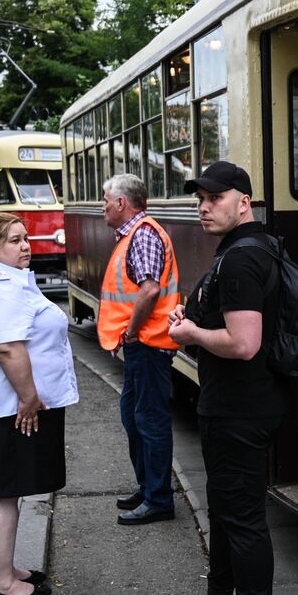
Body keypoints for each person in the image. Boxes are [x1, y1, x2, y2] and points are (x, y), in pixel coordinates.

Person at [169, 161, 285, 595]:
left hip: (240, 409)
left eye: (215, 198)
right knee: (225, 512)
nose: (203, 207)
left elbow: (243, 343)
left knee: (243, 520)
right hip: (240, 404)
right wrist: (195, 318)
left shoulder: (241, 259)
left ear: (244, 202)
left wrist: (190, 334)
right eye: (200, 198)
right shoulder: (253, 247)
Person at [0, 213, 77, 595]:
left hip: (0, 407)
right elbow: (8, 347)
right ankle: (1, 583)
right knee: (1, 495)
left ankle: (4, 570)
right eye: (15, 240)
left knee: (6, 492)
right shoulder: (0, 286)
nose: (26, 246)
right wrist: (28, 398)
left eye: (26, 238)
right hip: (6, 409)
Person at [99, 173, 181, 525]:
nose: (103, 207)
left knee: (149, 421)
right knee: (134, 417)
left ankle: (159, 499)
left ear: (121, 203)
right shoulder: (133, 234)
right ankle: (149, 488)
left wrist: (131, 332)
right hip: (140, 345)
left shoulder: (143, 233)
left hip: (148, 344)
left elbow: (149, 290)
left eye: (106, 200)